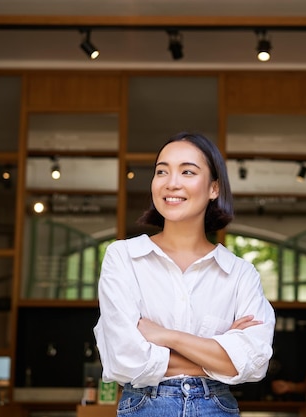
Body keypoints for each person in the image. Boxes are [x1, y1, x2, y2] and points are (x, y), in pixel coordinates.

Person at [94, 132, 276, 417]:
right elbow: (124, 358)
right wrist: (220, 355)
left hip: (217, 409)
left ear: (214, 188)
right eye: (161, 171)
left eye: (187, 171)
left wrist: (166, 336)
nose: (171, 183)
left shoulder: (240, 273)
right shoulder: (124, 258)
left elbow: (254, 362)